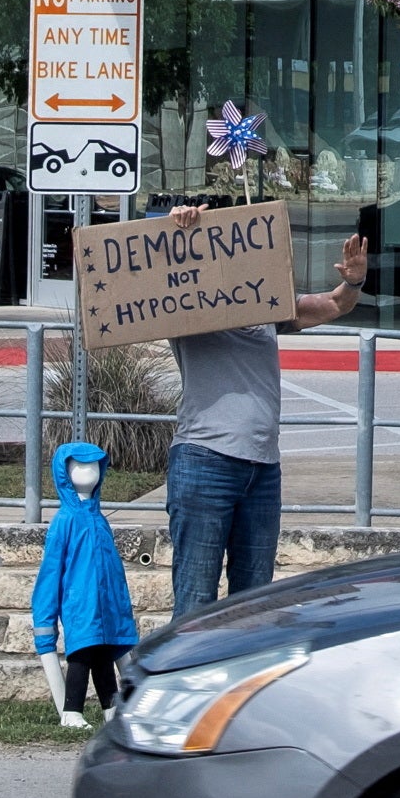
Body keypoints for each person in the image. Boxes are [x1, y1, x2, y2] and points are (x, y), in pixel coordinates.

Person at [162, 236, 359, 626]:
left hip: (263, 469)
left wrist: (353, 282)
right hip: (203, 461)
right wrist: (180, 225)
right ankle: (191, 685)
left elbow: (334, 304)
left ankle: (241, 685)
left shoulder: (266, 305)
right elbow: (160, 266)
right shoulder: (185, 305)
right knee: (195, 605)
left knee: (254, 606)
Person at [31, 439, 136, 722]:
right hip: (81, 605)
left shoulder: (100, 519)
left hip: (107, 606)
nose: (88, 472)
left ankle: (111, 709)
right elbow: (51, 571)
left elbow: (112, 569)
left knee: (104, 653)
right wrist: (44, 616)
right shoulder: (64, 521)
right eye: (79, 466)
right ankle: (71, 711)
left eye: (93, 465)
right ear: (64, 473)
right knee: (81, 654)